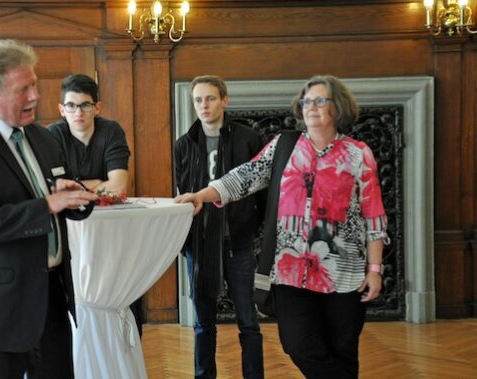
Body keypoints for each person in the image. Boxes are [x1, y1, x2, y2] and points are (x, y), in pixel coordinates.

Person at [176, 75, 389, 379]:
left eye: (320, 100)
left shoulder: (358, 154)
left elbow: (374, 215)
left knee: (342, 349)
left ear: (338, 106)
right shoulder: (285, 145)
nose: (311, 107)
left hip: (344, 274)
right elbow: (245, 176)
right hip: (291, 273)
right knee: (297, 344)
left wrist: (375, 269)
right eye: (306, 101)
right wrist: (202, 195)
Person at [0, 39, 98, 378]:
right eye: (23, 89)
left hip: (51, 301)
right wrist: (46, 205)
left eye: (35, 85)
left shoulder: (42, 138)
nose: (35, 97)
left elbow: (54, 197)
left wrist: (73, 196)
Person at [174, 75, 265, 379]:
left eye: (210, 98)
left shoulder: (248, 138)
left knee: (248, 322)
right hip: (199, 244)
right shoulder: (184, 144)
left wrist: (254, 230)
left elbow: (263, 189)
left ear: (224, 100)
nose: (204, 105)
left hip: (238, 242)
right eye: (198, 99)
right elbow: (181, 191)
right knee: (203, 323)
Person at [46, 73, 143, 335]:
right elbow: (55, 192)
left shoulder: (111, 131)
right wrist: (99, 182)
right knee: (76, 303)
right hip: (71, 234)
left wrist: (75, 186)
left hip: (112, 233)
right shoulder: (51, 135)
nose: (78, 112)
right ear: (62, 109)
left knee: (118, 295)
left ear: (96, 107)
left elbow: (119, 186)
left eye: (85, 105)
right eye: (71, 106)